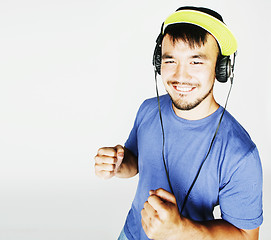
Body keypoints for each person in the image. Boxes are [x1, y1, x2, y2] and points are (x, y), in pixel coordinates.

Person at [94, 6, 263, 240]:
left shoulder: (240, 153)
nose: (181, 75)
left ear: (221, 69)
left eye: (196, 62)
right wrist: (118, 164)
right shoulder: (148, 109)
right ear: (158, 63)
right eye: (170, 60)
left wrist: (181, 230)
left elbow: (247, 236)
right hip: (130, 234)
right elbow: (135, 162)